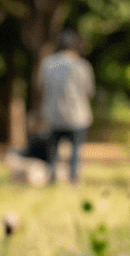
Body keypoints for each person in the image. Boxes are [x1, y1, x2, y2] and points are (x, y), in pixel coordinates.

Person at [37, 30, 95, 184]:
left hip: (53, 115)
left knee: (53, 150)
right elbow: (90, 91)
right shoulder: (82, 65)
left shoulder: (47, 64)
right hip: (77, 116)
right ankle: (73, 179)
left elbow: (40, 87)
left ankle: (51, 178)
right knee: (75, 150)